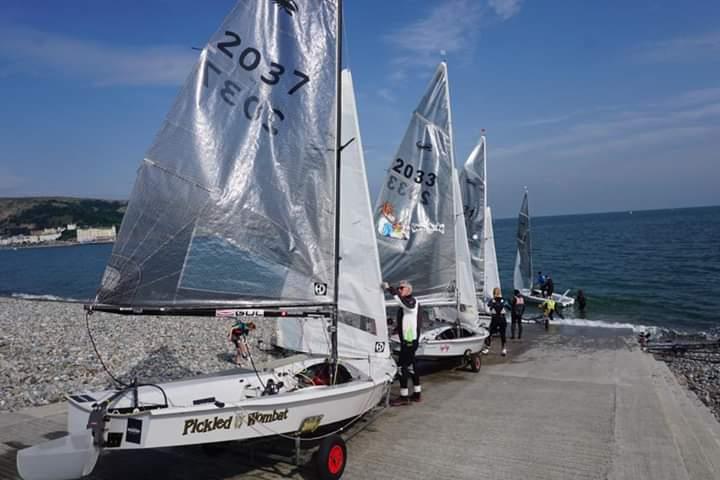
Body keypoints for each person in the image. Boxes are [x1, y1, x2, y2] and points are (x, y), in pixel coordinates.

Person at [383, 280, 421, 405]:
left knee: (401, 367)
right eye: (398, 288)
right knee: (411, 366)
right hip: (409, 339)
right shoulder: (407, 303)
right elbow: (405, 320)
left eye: (401, 288)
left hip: (410, 340)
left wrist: (390, 289)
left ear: (409, 290)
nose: (399, 290)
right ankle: (417, 394)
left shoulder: (411, 302)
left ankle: (404, 397)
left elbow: (404, 304)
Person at [482, 287, 510, 356]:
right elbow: (509, 308)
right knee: (502, 334)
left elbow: (489, 307)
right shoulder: (504, 300)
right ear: (500, 293)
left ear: (494, 293)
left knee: (489, 333)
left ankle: (487, 348)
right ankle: (503, 349)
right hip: (502, 318)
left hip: (495, 318)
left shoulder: (492, 300)